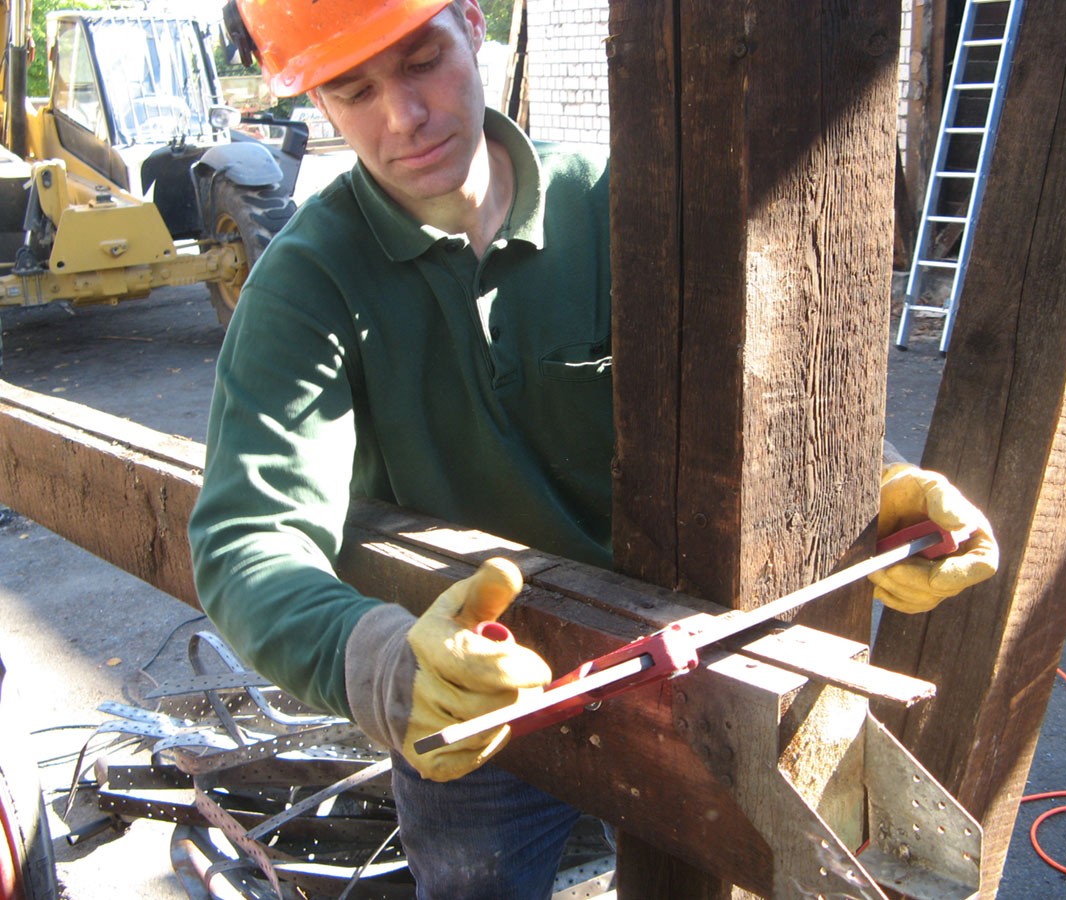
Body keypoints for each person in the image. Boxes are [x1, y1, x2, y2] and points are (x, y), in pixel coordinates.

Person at [189, 1, 1000, 896]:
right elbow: (247, 543)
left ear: (472, 24)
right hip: (480, 701)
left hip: (686, 674)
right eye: (354, 89)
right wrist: (385, 665)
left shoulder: (618, 208)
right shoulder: (309, 283)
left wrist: (872, 487)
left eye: (421, 62)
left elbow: (759, 398)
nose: (402, 117)